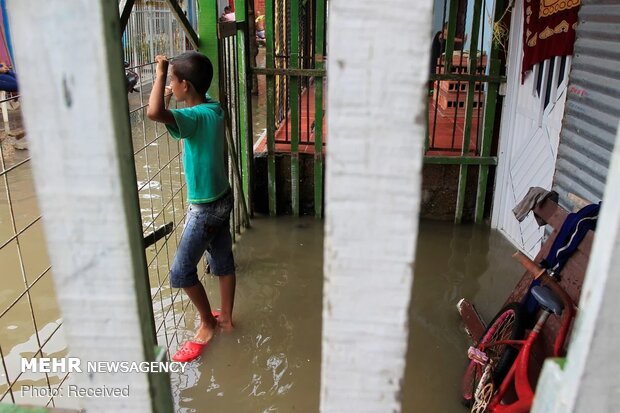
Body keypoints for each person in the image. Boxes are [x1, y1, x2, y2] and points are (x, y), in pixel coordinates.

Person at [147, 52, 236, 363]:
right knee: (223, 261)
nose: (170, 84)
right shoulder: (213, 108)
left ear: (185, 86)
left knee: (182, 273)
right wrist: (174, 78)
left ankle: (208, 323)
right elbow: (195, 90)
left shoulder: (194, 118)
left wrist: (160, 76)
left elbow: (154, 112)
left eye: (174, 81)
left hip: (206, 208)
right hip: (223, 197)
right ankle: (226, 316)